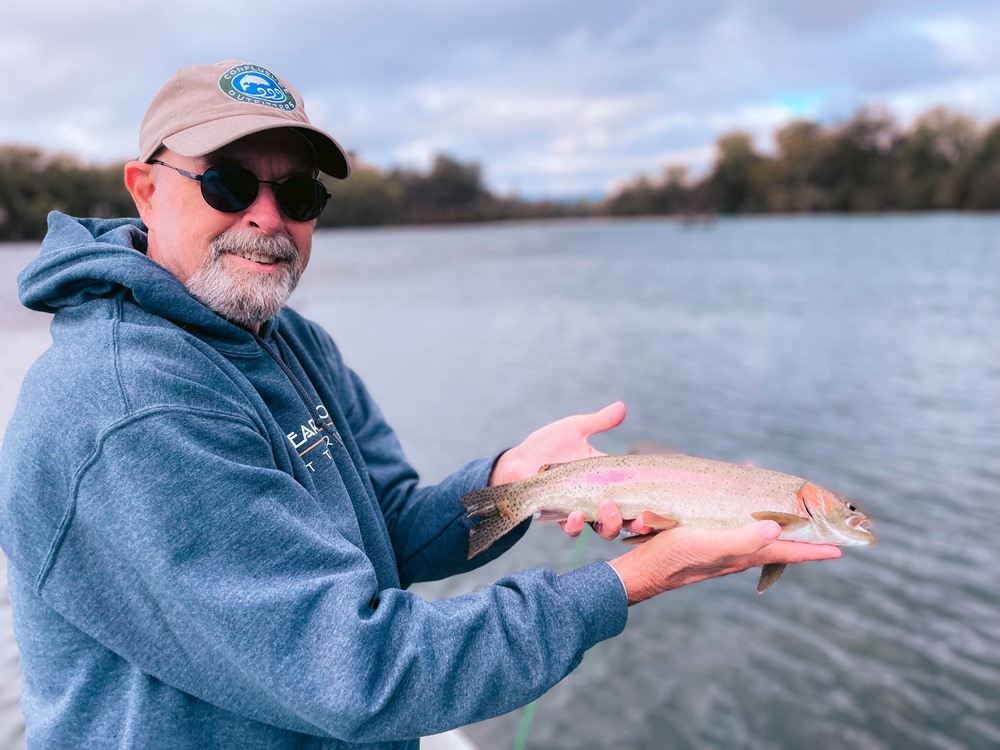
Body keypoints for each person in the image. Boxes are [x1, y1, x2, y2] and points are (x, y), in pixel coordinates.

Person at [0, 60, 840, 749]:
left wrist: (513, 480)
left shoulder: (290, 340)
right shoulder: (126, 412)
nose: (266, 218)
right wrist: (633, 580)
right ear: (145, 190)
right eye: (226, 183)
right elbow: (358, 672)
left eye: (299, 197)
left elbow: (385, 532)